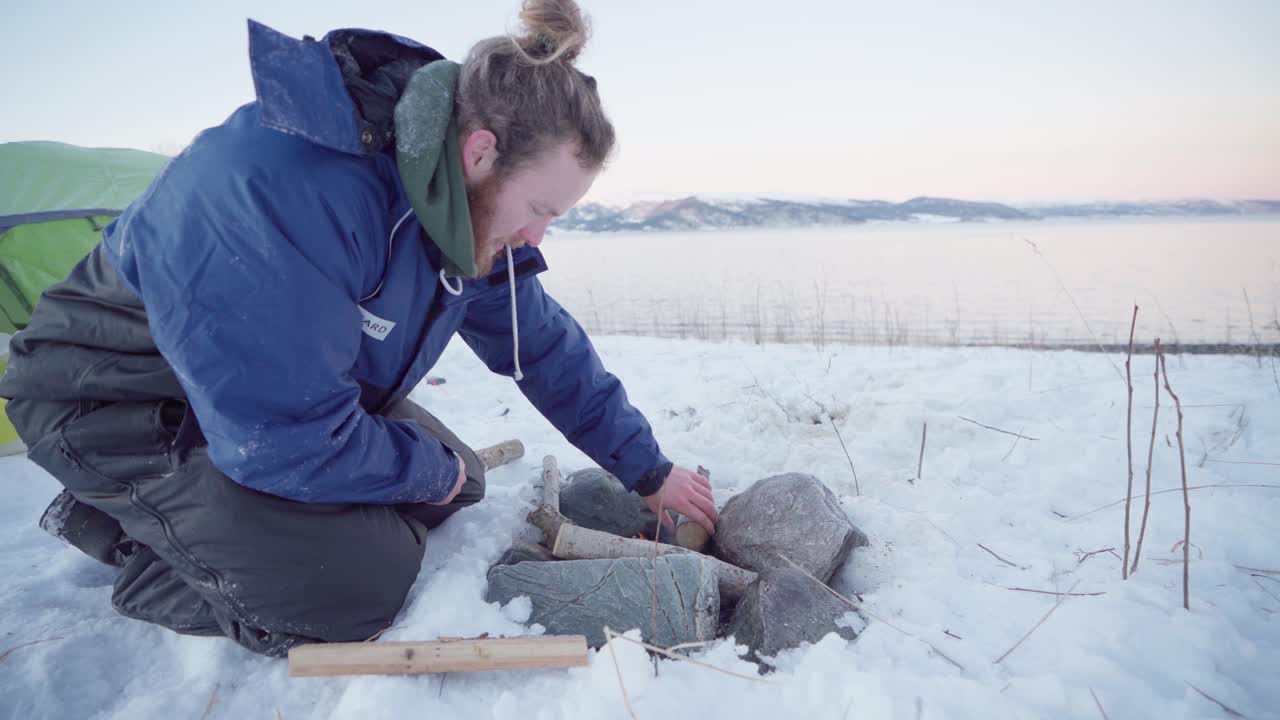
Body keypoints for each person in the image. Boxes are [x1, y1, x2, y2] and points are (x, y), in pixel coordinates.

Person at [0, 0, 717, 656]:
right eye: (540, 210)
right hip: (116, 395)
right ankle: (131, 540)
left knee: (460, 481)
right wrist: (421, 470)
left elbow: (544, 346)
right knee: (359, 586)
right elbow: (284, 441)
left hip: (259, 396)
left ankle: (205, 517)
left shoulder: (454, 199)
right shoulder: (285, 189)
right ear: (481, 152)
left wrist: (649, 471)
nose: (536, 239)